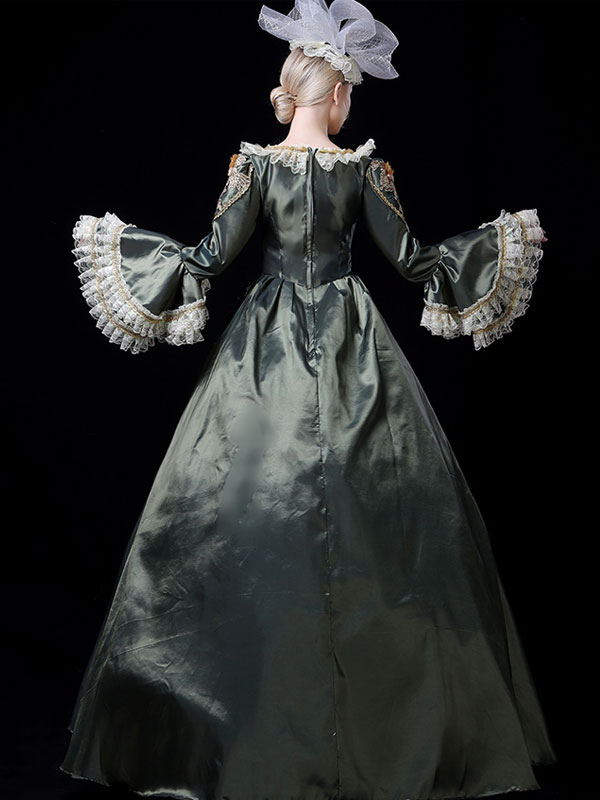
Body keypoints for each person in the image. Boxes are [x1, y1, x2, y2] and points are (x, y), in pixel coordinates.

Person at [60, 2, 556, 798]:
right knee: (384, 515)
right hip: (353, 338)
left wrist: (136, 261)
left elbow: (210, 257)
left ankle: (247, 724)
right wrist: (493, 251)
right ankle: (386, 730)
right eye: (351, 89)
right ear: (339, 93)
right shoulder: (362, 171)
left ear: (302, 89)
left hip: (266, 341)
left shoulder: (255, 168)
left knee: (241, 506)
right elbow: (414, 260)